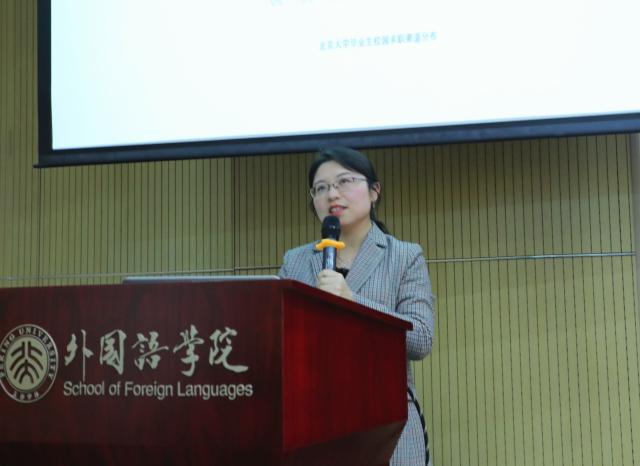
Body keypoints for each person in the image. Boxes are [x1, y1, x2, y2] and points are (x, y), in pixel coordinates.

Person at [278, 147, 436, 466]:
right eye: (321, 188)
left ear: (374, 191)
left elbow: (421, 339)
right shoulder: (295, 261)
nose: (332, 194)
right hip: (313, 426)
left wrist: (352, 301)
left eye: (344, 182)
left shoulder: (404, 256)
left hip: (387, 428)